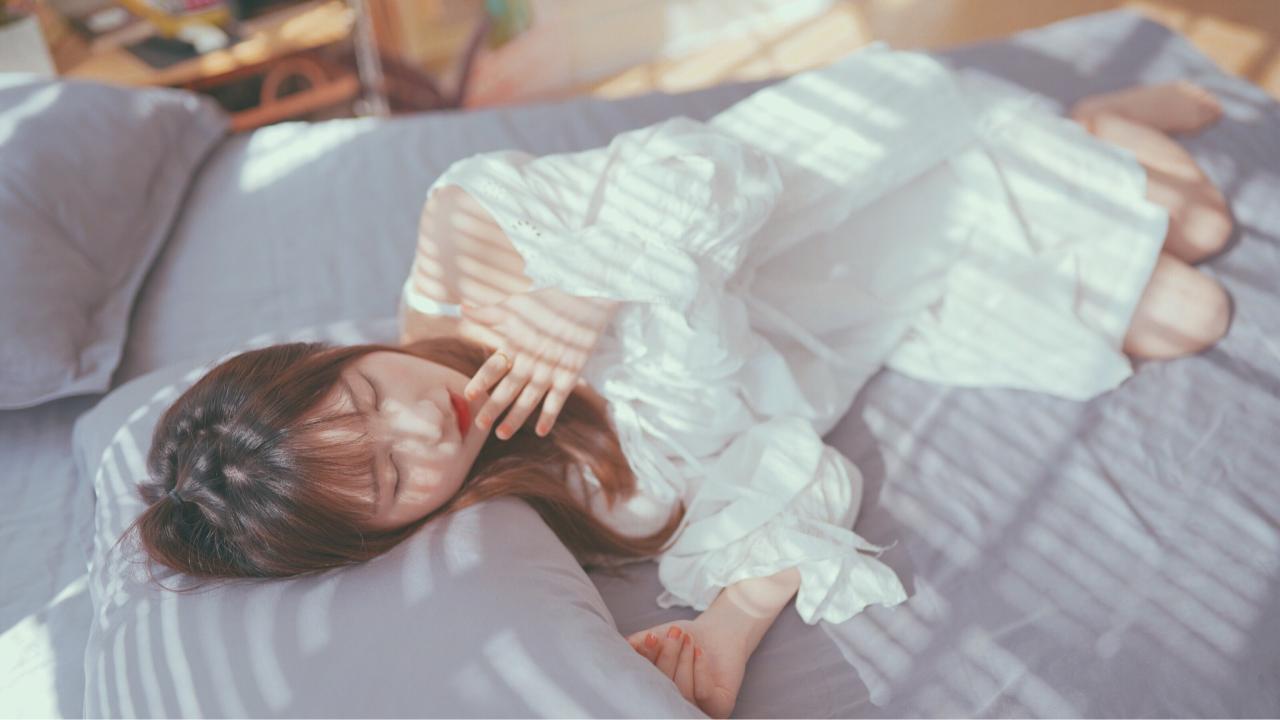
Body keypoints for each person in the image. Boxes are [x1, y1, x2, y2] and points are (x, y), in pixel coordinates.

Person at [126, 44, 1233, 719]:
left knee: (1200, 227)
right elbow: (776, 461)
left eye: (366, 398)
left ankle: (1087, 124)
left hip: (841, 171)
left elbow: (716, 168)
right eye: (382, 478)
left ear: (332, 355)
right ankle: (1096, 134)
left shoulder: (470, 241)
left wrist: (589, 289)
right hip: (862, 304)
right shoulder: (554, 495)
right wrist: (728, 629)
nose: (421, 427)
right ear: (377, 536)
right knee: (1192, 316)